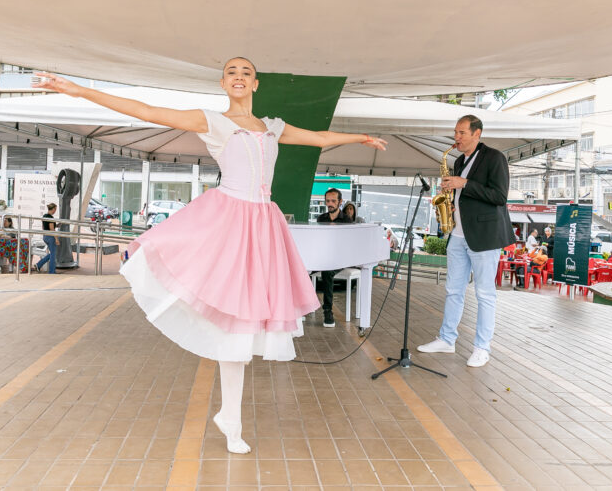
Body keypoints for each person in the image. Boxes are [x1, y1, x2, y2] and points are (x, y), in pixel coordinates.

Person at [34, 58, 387, 454]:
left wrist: (359, 137)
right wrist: (79, 90)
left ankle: (230, 418)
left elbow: (319, 138)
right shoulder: (213, 121)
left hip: (263, 224)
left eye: (245, 72)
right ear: (224, 83)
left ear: (255, 84)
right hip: (229, 220)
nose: (238, 76)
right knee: (231, 323)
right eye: (232, 72)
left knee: (245, 323)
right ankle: (231, 419)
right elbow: (147, 111)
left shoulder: (273, 127)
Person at [417, 115, 514, 368]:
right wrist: (449, 194)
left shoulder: (495, 158)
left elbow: (499, 196)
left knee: (485, 294)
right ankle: (447, 339)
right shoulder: (459, 160)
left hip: (484, 237)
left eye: (461, 133)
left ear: (477, 134)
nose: (456, 138)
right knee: (453, 291)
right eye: (455, 132)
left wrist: (464, 183)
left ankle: (482, 348)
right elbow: (464, 195)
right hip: (458, 235)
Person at [316, 188, 352, 328]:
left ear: (340, 202)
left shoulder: (347, 220)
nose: (330, 204)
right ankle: (303, 308)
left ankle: (327, 311)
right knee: (301, 269)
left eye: (333, 201)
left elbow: (348, 244)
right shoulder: (321, 218)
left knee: (327, 272)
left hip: (340, 258)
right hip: (323, 256)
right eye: (327, 201)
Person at [34, 203, 59, 274]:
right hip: (50, 237)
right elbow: (52, 229)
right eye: (55, 209)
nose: (55, 211)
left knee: (52, 254)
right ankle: (52, 271)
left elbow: (44, 227)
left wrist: (56, 225)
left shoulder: (44, 216)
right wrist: (56, 239)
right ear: (53, 209)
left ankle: (38, 265)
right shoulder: (51, 218)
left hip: (45, 236)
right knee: (53, 255)